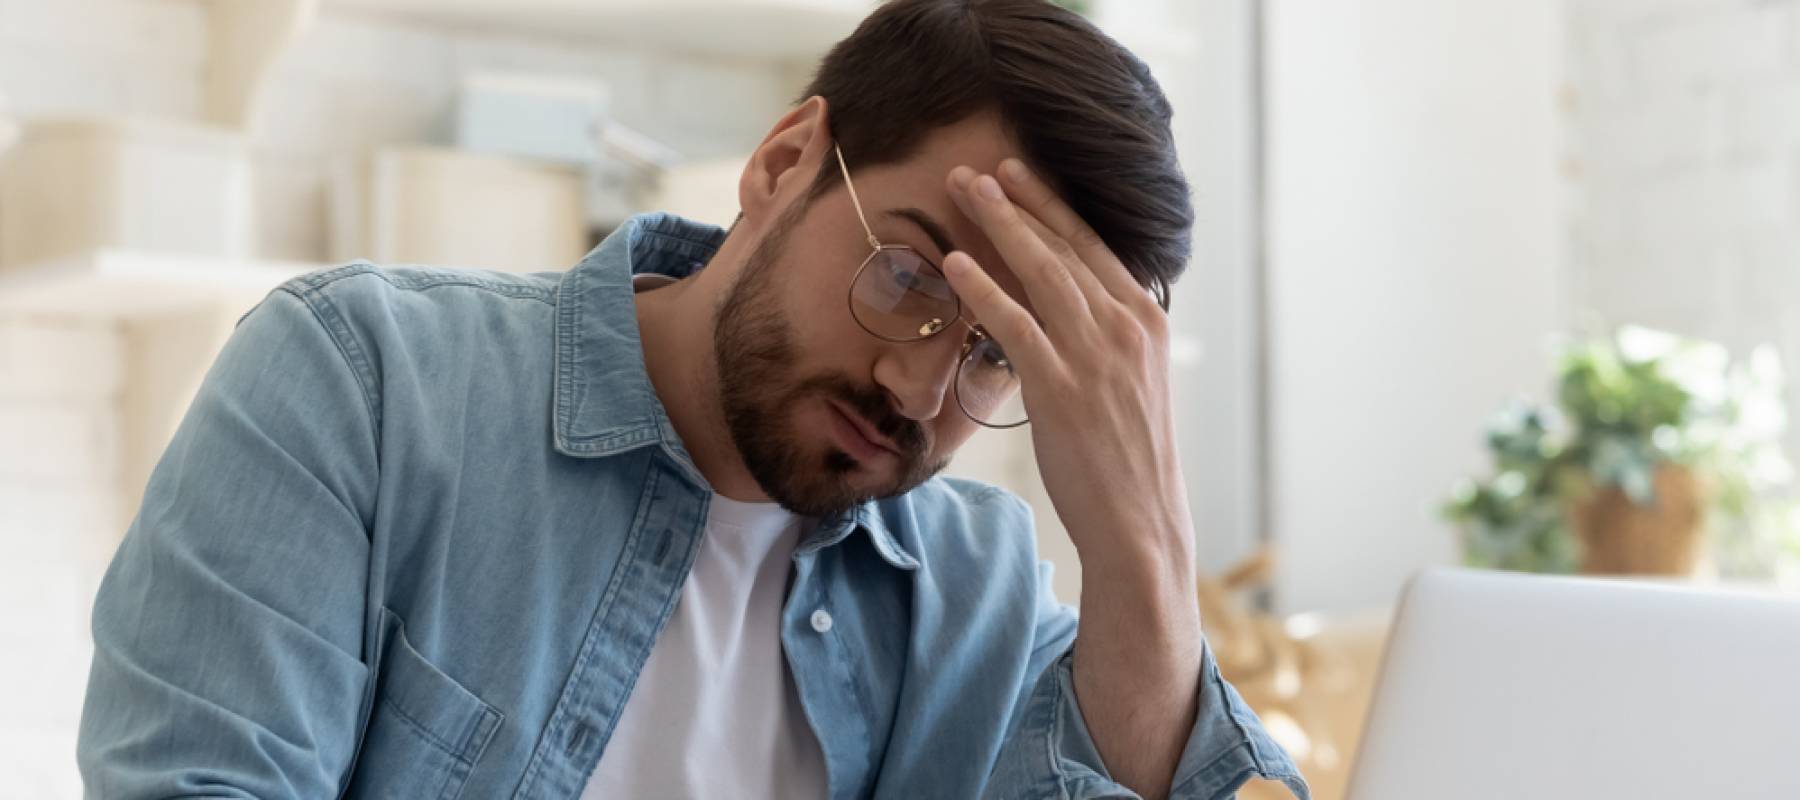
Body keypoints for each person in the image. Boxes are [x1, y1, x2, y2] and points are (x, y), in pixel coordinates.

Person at [76, 1, 1308, 798]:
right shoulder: (367, 384)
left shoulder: (973, 584)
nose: (916, 383)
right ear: (782, 165)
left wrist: (1144, 555)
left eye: (994, 351)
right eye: (911, 273)